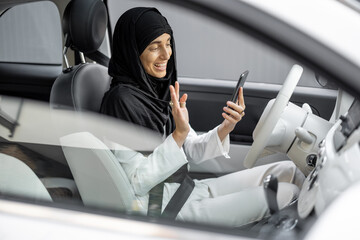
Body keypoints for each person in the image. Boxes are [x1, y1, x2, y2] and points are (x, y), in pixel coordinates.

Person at [100, 7, 304, 227]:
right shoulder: (121, 101)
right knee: (285, 194)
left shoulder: (154, 92)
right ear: (133, 51)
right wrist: (178, 134)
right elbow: (136, 182)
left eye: (168, 43)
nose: (166, 54)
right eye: (154, 47)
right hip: (163, 207)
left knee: (289, 171)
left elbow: (189, 150)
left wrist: (225, 127)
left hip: (187, 189)